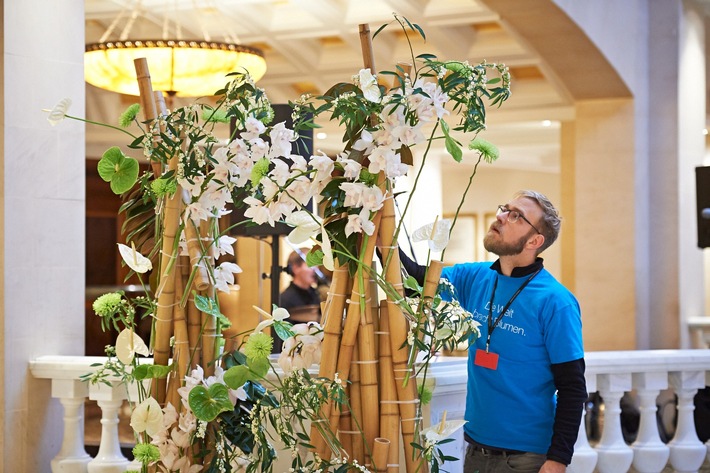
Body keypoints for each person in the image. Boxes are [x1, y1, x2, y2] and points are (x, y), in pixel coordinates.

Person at [399, 190, 586, 473]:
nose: (500, 217)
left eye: (516, 216)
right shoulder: (475, 277)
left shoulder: (555, 301)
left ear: (535, 241)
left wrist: (558, 460)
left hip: (527, 457)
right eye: (504, 209)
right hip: (475, 447)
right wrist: (381, 242)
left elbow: (573, 388)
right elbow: (418, 280)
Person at [280, 249, 322, 323]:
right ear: (296, 268)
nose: (316, 269)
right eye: (311, 265)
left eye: (316, 265)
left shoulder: (317, 294)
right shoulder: (284, 300)